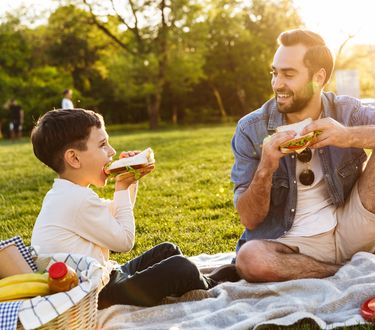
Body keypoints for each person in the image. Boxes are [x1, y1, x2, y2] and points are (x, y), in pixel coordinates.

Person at [231, 29, 375, 283]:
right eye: (275, 73)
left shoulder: (346, 111)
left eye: (288, 74)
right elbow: (249, 219)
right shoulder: (251, 129)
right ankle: (343, 273)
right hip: (293, 245)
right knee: (250, 259)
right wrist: (265, 168)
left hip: (352, 228)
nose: (277, 84)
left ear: (318, 78)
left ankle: (343, 265)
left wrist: (347, 136)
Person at [30, 109, 231, 309]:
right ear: (74, 158)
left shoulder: (67, 194)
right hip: (96, 295)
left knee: (167, 250)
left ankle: (198, 280)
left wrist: (130, 180)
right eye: (102, 145)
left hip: (105, 277)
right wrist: (122, 187)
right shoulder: (76, 200)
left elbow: (117, 216)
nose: (112, 151)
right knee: (181, 267)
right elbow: (124, 241)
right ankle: (213, 284)